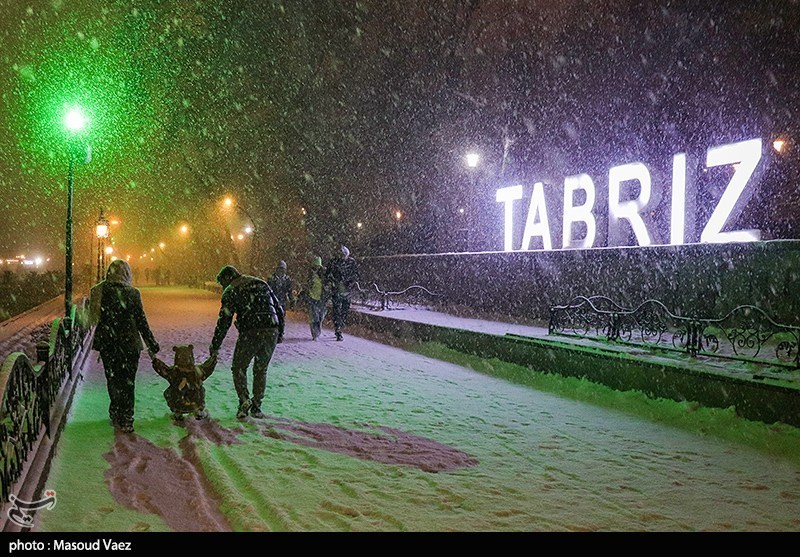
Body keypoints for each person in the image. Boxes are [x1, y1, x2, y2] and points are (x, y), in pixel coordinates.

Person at [87, 259, 160, 433]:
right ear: (127, 274)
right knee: (128, 382)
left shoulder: (99, 291)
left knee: (113, 379)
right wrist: (151, 343)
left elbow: (92, 319)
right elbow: (141, 321)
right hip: (130, 345)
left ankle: (115, 411)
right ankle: (127, 417)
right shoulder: (133, 293)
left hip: (108, 344)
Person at [209, 265, 285, 419]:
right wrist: (280, 332)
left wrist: (215, 345)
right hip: (271, 329)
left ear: (227, 278)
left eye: (222, 283)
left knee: (239, 367)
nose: (223, 287)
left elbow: (224, 321)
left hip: (251, 330)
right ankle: (257, 406)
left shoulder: (232, 290)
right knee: (261, 369)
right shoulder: (261, 283)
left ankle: (244, 400)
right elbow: (279, 309)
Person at [325, 245, 359, 341]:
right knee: (337, 310)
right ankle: (338, 330)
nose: (343, 257)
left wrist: (351, 282)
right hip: (337, 290)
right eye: (341, 255)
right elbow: (328, 274)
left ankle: (340, 325)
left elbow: (356, 275)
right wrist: (332, 281)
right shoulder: (333, 262)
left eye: (344, 255)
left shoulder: (351, 262)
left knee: (345, 310)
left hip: (347, 291)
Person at [304, 255, 328, 341]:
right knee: (314, 317)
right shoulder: (310, 275)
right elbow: (307, 286)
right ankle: (315, 334)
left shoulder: (324, 275)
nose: (316, 267)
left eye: (318, 265)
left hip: (321, 299)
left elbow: (327, 286)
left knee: (320, 317)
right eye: (315, 265)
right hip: (312, 298)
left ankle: (318, 332)